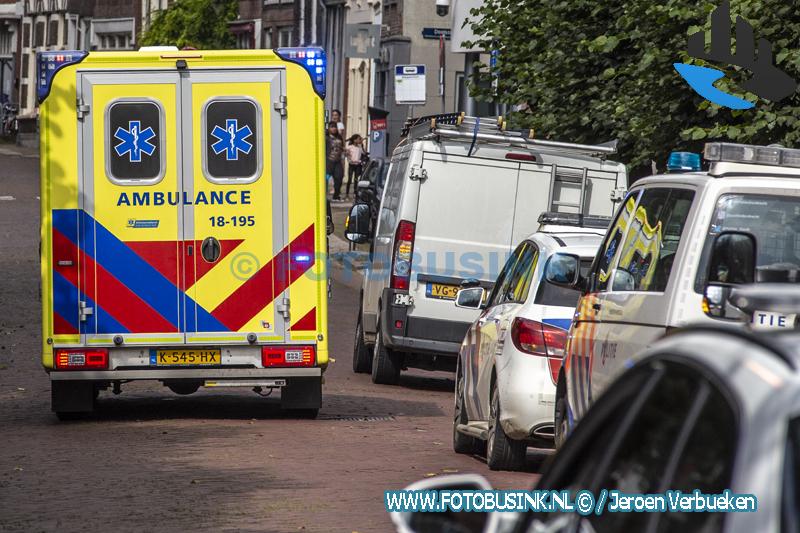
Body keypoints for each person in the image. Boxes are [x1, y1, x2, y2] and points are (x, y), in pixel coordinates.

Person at [325, 121, 345, 201]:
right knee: (325, 179)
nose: (334, 129)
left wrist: (344, 151)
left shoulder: (339, 137)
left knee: (339, 177)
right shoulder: (326, 137)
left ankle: (336, 195)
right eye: (332, 127)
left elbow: (341, 146)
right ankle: (324, 195)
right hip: (328, 161)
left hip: (337, 161)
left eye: (335, 127)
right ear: (329, 128)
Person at [345, 134, 364, 198]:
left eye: (360, 139)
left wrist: (362, 144)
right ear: (354, 140)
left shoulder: (360, 147)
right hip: (351, 165)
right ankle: (347, 194)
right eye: (358, 139)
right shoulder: (349, 147)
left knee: (356, 179)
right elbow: (347, 155)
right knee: (349, 179)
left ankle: (355, 193)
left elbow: (363, 153)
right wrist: (349, 159)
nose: (359, 140)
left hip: (358, 165)